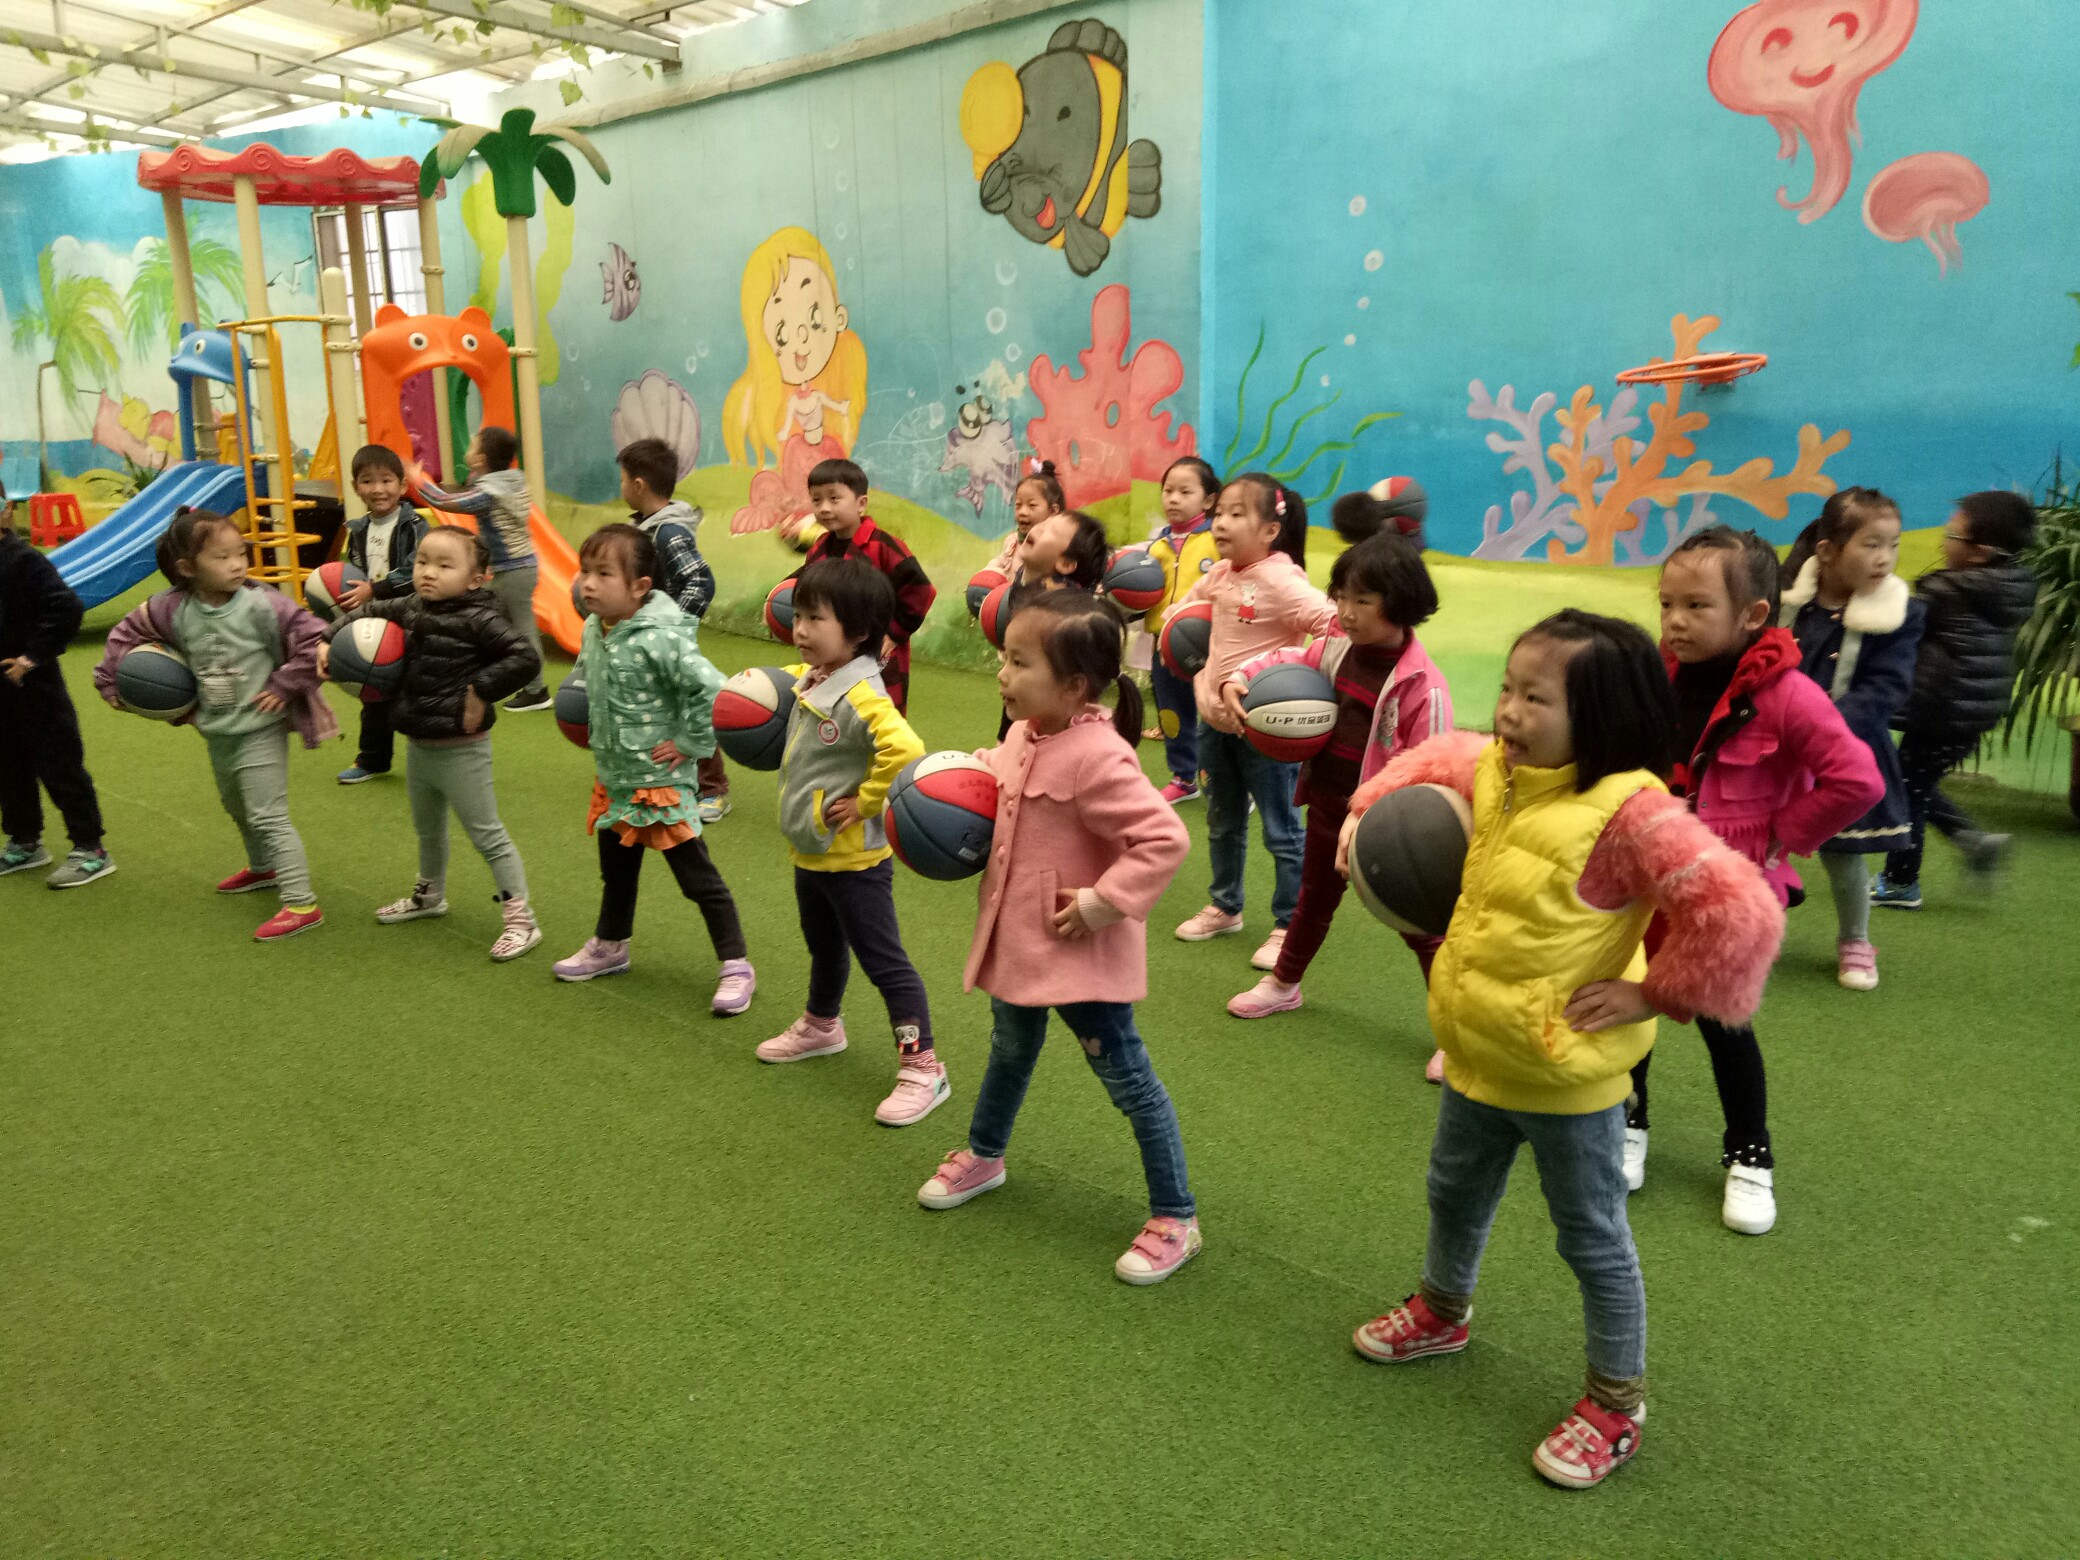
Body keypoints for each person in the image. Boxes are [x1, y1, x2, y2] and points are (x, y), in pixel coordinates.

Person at [1342, 611, 1782, 1490]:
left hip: (1565, 1079)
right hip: (1479, 1053)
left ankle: (1617, 1403)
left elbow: (1742, 915)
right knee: (1452, 1193)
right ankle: (1443, 1310)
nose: (1508, 710)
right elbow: (1430, 758)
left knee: (1591, 1239)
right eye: (1508, 688)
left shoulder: (1631, 815)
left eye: (1535, 698)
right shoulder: (1499, 771)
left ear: (1604, 714)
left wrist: (1655, 993)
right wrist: (1363, 818)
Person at [918, 591, 1202, 1283]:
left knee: (1128, 1079)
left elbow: (1164, 838)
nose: (1003, 674)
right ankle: (986, 1154)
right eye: (1004, 658)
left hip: (1078, 954)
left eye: (1019, 663)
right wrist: (951, 779)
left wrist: (1107, 902)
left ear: (1074, 686)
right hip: (1020, 944)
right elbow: (997, 774)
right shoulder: (1026, 732)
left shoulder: (1099, 757)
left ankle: (1177, 1216)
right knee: (1010, 1049)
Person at [1633, 527, 1881, 1233]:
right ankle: (1627, 1119)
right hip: (1649, 874)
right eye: (1667, 604)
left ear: (1753, 615)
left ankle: (1750, 1153)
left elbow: (1857, 780)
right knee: (1631, 1000)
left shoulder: (1788, 695)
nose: (1675, 621)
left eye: (1696, 606)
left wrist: (1784, 833)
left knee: (1725, 1023)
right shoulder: (1657, 675)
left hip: (1730, 892)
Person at [1225, 534, 1453, 1056]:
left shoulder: (1425, 687)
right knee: (1313, 901)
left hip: (1388, 826)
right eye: (1341, 597)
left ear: (1400, 603)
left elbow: (1431, 771)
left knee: (1419, 927)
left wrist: (1368, 812)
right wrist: (1242, 678)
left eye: (1362, 600)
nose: (1346, 612)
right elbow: (1292, 661)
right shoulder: (1334, 644)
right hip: (1329, 805)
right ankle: (1283, 985)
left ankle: (1457, 1031)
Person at [757, 558, 946, 1126]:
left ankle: (923, 1065)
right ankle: (822, 1024)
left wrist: (866, 801)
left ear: (859, 632)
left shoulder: (861, 695)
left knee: (884, 962)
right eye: (799, 615)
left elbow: (906, 750)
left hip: (855, 859)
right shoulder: (814, 677)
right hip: (813, 849)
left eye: (816, 618)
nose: (801, 628)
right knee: (823, 945)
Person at [94, 509, 333, 940]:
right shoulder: (172, 608)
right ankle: (263, 867)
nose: (238, 565)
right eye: (223, 557)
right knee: (236, 806)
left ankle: (301, 903)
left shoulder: (262, 604)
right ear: (188, 568)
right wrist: (109, 680)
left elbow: (315, 637)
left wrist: (284, 684)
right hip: (217, 728)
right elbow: (125, 633)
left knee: (268, 814)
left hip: (261, 726)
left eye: (241, 553)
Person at [552, 524, 753, 1013]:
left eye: (603, 574)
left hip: (659, 785)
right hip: (616, 778)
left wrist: (690, 743)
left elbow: (712, 689)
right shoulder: (595, 628)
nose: (588, 584)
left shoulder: (662, 638)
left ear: (640, 587)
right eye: (585, 571)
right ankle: (611, 945)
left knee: (698, 880)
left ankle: (736, 966)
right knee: (617, 873)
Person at [321, 526, 544, 963]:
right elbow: (370, 609)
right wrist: (328, 640)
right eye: (423, 561)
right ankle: (430, 896)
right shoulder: (413, 605)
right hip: (420, 742)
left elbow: (524, 657)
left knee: (487, 835)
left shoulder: (482, 617)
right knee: (428, 829)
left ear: (476, 579)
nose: (428, 572)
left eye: (444, 565)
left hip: (462, 748)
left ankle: (522, 920)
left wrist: (480, 690)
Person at [1164, 471, 1338, 970]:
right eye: (1219, 513)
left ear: (1270, 530)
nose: (1221, 523)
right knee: (1223, 822)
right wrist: (1179, 634)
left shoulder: (1281, 581)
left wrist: (1279, 674)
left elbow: (1332, 626)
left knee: (1282, 831)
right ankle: (1226, 906)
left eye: (1237, 514)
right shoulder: (1220, 575)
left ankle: (1288, 923)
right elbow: (1185, 616)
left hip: (1268, 733)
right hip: (1215, 723)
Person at [1779, 488, 1925, 990]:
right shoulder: (1789, 601)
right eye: (1871, 544)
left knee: (1843, 853)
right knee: (1752, 836)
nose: (1885, 557)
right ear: (1827, 550)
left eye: (1893, 545)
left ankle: (1855, 940)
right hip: (1774, 748)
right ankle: (1744, 925)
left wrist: (1824, 733)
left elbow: (1886, 686)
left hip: (1844, 752)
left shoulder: (1898, 614)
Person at [1877, 490, 2040, 908]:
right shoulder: (2006, 586)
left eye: (1952, 535)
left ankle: (1900, 882)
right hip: (1970, 710)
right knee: (1912, 779)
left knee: (1907, 788)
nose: (1943, 542)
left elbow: (1895, 622)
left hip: (1942, 708)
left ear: (1981, 553)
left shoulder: (1950, 590)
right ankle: (1973, 840)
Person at [0, 487, 114, 888]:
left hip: (35, 687)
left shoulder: (24, 560)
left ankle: (91, 848)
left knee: (59, 764)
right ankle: (25, 841)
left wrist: (31, 658)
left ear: (6, 511)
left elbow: (66, 607)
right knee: (8, 766)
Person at [618, 436, 732, 825]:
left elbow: (699, 581)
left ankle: (713, 790)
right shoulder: (645, 527)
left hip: (668, 637)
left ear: (638, 484)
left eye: (623, 480)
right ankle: (671, 776)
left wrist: (674, 628)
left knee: (690, 706)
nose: (621, 487)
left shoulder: (669, 532)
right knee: (662, 705)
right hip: (650, 636)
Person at [775, 458, 936, 714]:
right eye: (816, 500)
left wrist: (894, 632)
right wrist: (777, 599)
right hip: (830, 654)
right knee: (828, 714)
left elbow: (921, 590)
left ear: (861, 503)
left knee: (876, 716)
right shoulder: (819, 549)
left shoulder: (883, 546)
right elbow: (808, 588)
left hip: (878, 655)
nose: (824, 508)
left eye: (834, 499)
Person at [412, 426, 551, 713]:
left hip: (514, 570)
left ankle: (536, 690)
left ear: (481, 458)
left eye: (473, 445)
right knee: (497, 624)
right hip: (514, 568)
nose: (469, 447)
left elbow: (445, 502)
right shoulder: (507, 481)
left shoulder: (492, 493)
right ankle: (504, 681)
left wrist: (419, 481)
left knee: (519, 629)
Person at [336, 444, 429, 784]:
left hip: (411, 617)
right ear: (356, 487)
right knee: (373, 687)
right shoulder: (358, 529)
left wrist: (375, 589)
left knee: (419, 687)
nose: (378, 489)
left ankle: (432, 757)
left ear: (402, 486)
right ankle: (372, 758)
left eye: (386, 480)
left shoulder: (415, 525)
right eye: (367, 481)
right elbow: (352, 573)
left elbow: (417, 568)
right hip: (373, 620)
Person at [1143, 456, 1220, 802]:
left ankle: (1223, 782)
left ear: (1208, 500)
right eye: (1168, 491)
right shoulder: (1156, 547)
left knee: (1215, 714)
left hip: (1211, 644)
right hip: (1164, 645)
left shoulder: (1217, 540)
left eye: (1185, 492)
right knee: (1172, 712)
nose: (1173, 499)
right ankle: (1184, 777)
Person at [984, 458, 1067, 578]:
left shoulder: (1056, 548)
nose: (1022, 512)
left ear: (1053, 511)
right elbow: (999, 563)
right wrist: (986, 576)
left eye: (1032, 505)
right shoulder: (1013, 542)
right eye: (1018, 505)